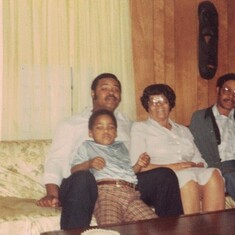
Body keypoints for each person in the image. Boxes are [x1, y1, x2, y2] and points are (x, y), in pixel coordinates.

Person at [37, 73, 183, 230]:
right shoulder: (71, 124)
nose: (111, 92)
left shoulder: (128, 124)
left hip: (121, 183)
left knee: (165, 176)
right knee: (83, 178)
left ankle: (173, 231)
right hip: (82, 184)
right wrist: (52, 194)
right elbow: (56, 160)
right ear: (93, 93)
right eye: (105, 88)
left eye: (116, 89)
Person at [130, 83, 225, 214]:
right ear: (147, 106)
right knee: (188, 177)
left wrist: (198, 164)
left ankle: (215, 229)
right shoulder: (140, 128)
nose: (159, 105)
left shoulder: (184, 130)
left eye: (163, 101)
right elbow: (138, 166)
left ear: (170, 104)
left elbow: (199, 159)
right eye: (154, 102)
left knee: (213, 173)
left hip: (191, 170)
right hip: (166, 177)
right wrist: (176, 166)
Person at [70, 109, 157, 225]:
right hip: (107, 194)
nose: (106, 131)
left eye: (111, 127)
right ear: (90, 133)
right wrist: (89, 164)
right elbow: (74, 169)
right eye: (99, 127)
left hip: (131, 194)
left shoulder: (122, 147)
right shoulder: (87, 146)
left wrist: (139, 165)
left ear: (116, 132)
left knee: (156, 226)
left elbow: (129, 173)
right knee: (111, 228)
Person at [189, 73, 235, 200]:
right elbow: (196, 147)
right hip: (220, 165)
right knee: (231, 176)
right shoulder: (200, 117)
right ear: (218, 90)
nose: (231, 96)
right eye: (227, 90)